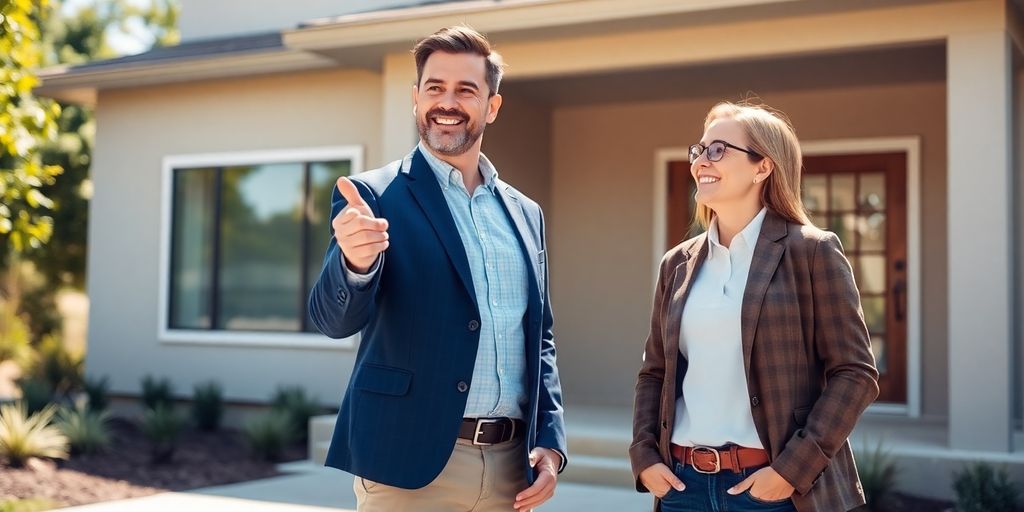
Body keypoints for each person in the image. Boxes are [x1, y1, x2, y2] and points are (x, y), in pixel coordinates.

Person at [307, 26, 566, 512]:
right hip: (407, 467)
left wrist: (550, 442)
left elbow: (540, 337)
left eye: (466, 90)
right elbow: (333, 320)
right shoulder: (372, 197)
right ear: (415, 99)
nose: (447, 101)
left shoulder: (525, 213)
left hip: (513, 473)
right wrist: (355, 264)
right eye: (435, 88)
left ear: (492, 106)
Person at [630, 101, 879, 512]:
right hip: (681, 487)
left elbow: (855, 374)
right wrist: (644, 456)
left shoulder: (812, 253)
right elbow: (654, 372)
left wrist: (790, 471)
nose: (699, 162)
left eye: (718, 150)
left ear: (763, 166)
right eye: (699, 150)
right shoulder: (677, 264)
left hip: (772, 491)